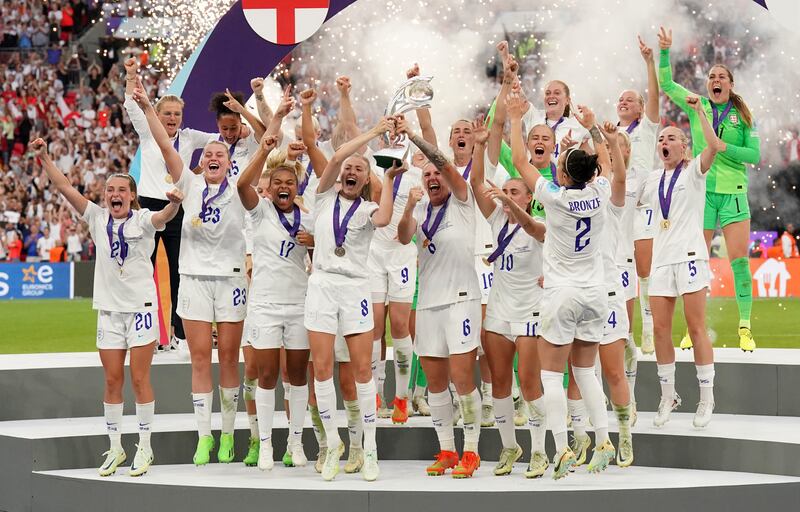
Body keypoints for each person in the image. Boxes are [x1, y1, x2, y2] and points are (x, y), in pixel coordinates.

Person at [31, 137, 183, 477]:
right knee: (112, 381)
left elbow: (165, 215)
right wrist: (43, 157)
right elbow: (64, 186)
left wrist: (174, 202)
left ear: (131, 195)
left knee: (140, 379)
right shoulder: (96, 217)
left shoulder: (143, 219)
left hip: (141, 310)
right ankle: (115, 448)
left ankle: (145, 447)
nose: (115, 194)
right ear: (105, 196)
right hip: (110, 312)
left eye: (121, 190)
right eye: (110, 189)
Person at [133, 80, 248, 466]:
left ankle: (229, 434)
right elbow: (166, 145)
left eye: (221, 152)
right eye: (209, 152)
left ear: (230, 162)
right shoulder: (190, 181)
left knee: (229, 359)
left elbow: (261, 146)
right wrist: (147, 105)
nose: (214, 155)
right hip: (196, 280)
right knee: (200, 360)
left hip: (231, 280)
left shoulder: (241, 189)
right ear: (201, 160)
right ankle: (205, 437)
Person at [510, 93, 617, 480]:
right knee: (587, 373)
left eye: (558, 164)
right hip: (595, 293)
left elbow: (520, 161)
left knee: (552, 377)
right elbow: (604, 162)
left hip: (561, 292)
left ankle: (561, 450)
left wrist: (515, 119)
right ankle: (603, 440)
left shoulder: (554, 198)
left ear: (567, 176)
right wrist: (592, 128)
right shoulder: (599, 193)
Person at [305, 116, 397, 482]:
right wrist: (374, 133)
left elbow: (388, 216)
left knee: (362, 371)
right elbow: (336, 156)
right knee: (322, 370)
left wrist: (388, 178)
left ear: (365, 181)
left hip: (356, 286)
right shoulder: (323, 197)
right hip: (322, 285)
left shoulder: (367, 210)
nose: (351, 169)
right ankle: (333, 444)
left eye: (360, 168)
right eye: (348, 167)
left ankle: (370, 449)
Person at [658, 26, 761, 352]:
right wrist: (664, 51)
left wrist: (722, 147)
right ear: (708, 84)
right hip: (700, 194)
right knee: (696, 262)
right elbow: (665, 84)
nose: (715, 79)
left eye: (722, 77)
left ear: (730, 85)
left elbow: (755, 156)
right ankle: (694, 328)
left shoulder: (743, 116)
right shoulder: (696, 103)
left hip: (733, 192)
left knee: (739, 262)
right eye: (711, 76)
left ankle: (744, 327)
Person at [397, 113, 484, 479]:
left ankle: (471, 451)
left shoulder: (463, 201)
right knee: (435, 382)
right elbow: (403, 237)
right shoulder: (419, 209)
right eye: (427, 175)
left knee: (462, 379)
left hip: (462, 299)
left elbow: (445, 164)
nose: (433, 178)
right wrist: (406, 206)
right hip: (430, 303)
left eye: (437, 174)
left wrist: (415, 136)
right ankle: (446, 448)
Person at [470, 118, 549, 477]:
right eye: (507, 192)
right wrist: (479, 145)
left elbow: (531, 227)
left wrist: (511, 204)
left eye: (516, 192)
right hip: (499, 311)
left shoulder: (541, 224)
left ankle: (539, 451)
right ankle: (509, 446)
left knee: (531, 384)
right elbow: (474, 184)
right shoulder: (496, 221)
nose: (508, 196)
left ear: (530, 198)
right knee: (500, 384)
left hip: (531, 312)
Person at [124, 58, 217, 349]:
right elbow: (130, 105)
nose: (172, 118)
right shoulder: (148, 133)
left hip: (179, 207)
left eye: (177, 114)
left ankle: (180, 334)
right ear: (159, 114)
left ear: (182, 117)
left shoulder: (190, 137)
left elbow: (222, 141)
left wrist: (206, 163)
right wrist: (130, 75)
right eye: (167, 113)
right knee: (144, 270)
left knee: (180, 271)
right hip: (148, 207)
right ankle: (146, 334)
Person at [642, 95, 721, 428]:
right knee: (660, 330)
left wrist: (700, 112)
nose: (664, 141)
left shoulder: (693, 172)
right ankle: (668, 395)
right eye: (661, 138)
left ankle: (706, 399)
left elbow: (715, 146)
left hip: (690, 257)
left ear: (684, 147)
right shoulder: (651, 179)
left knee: (695, 327)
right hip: (661, 260)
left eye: (671, 137)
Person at [236, 135, 314, 471]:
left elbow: (326, 259)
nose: (284, 187)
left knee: (297, 377)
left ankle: (295, 443)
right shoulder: (261, 211)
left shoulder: (309, 220)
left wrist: (314, 245)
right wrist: (265, 149)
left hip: (299, 304)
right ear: (269, 188)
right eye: (277, 182)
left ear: (297, 188)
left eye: (290, 183)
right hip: (265, 305)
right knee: (266, 376)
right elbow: (241, 184)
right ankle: (265, 444)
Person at [618, 36, 662, 362]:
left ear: (641, 108)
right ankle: (625, 331)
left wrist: (649, 62)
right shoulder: (613, 136)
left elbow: (655, 96)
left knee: (644, 271)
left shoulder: (647, 129)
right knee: (622, 270)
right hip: (620, 207)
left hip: (644, 203)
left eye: (630, 100)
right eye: (620, 99)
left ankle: (648, 325)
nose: (623, 102)